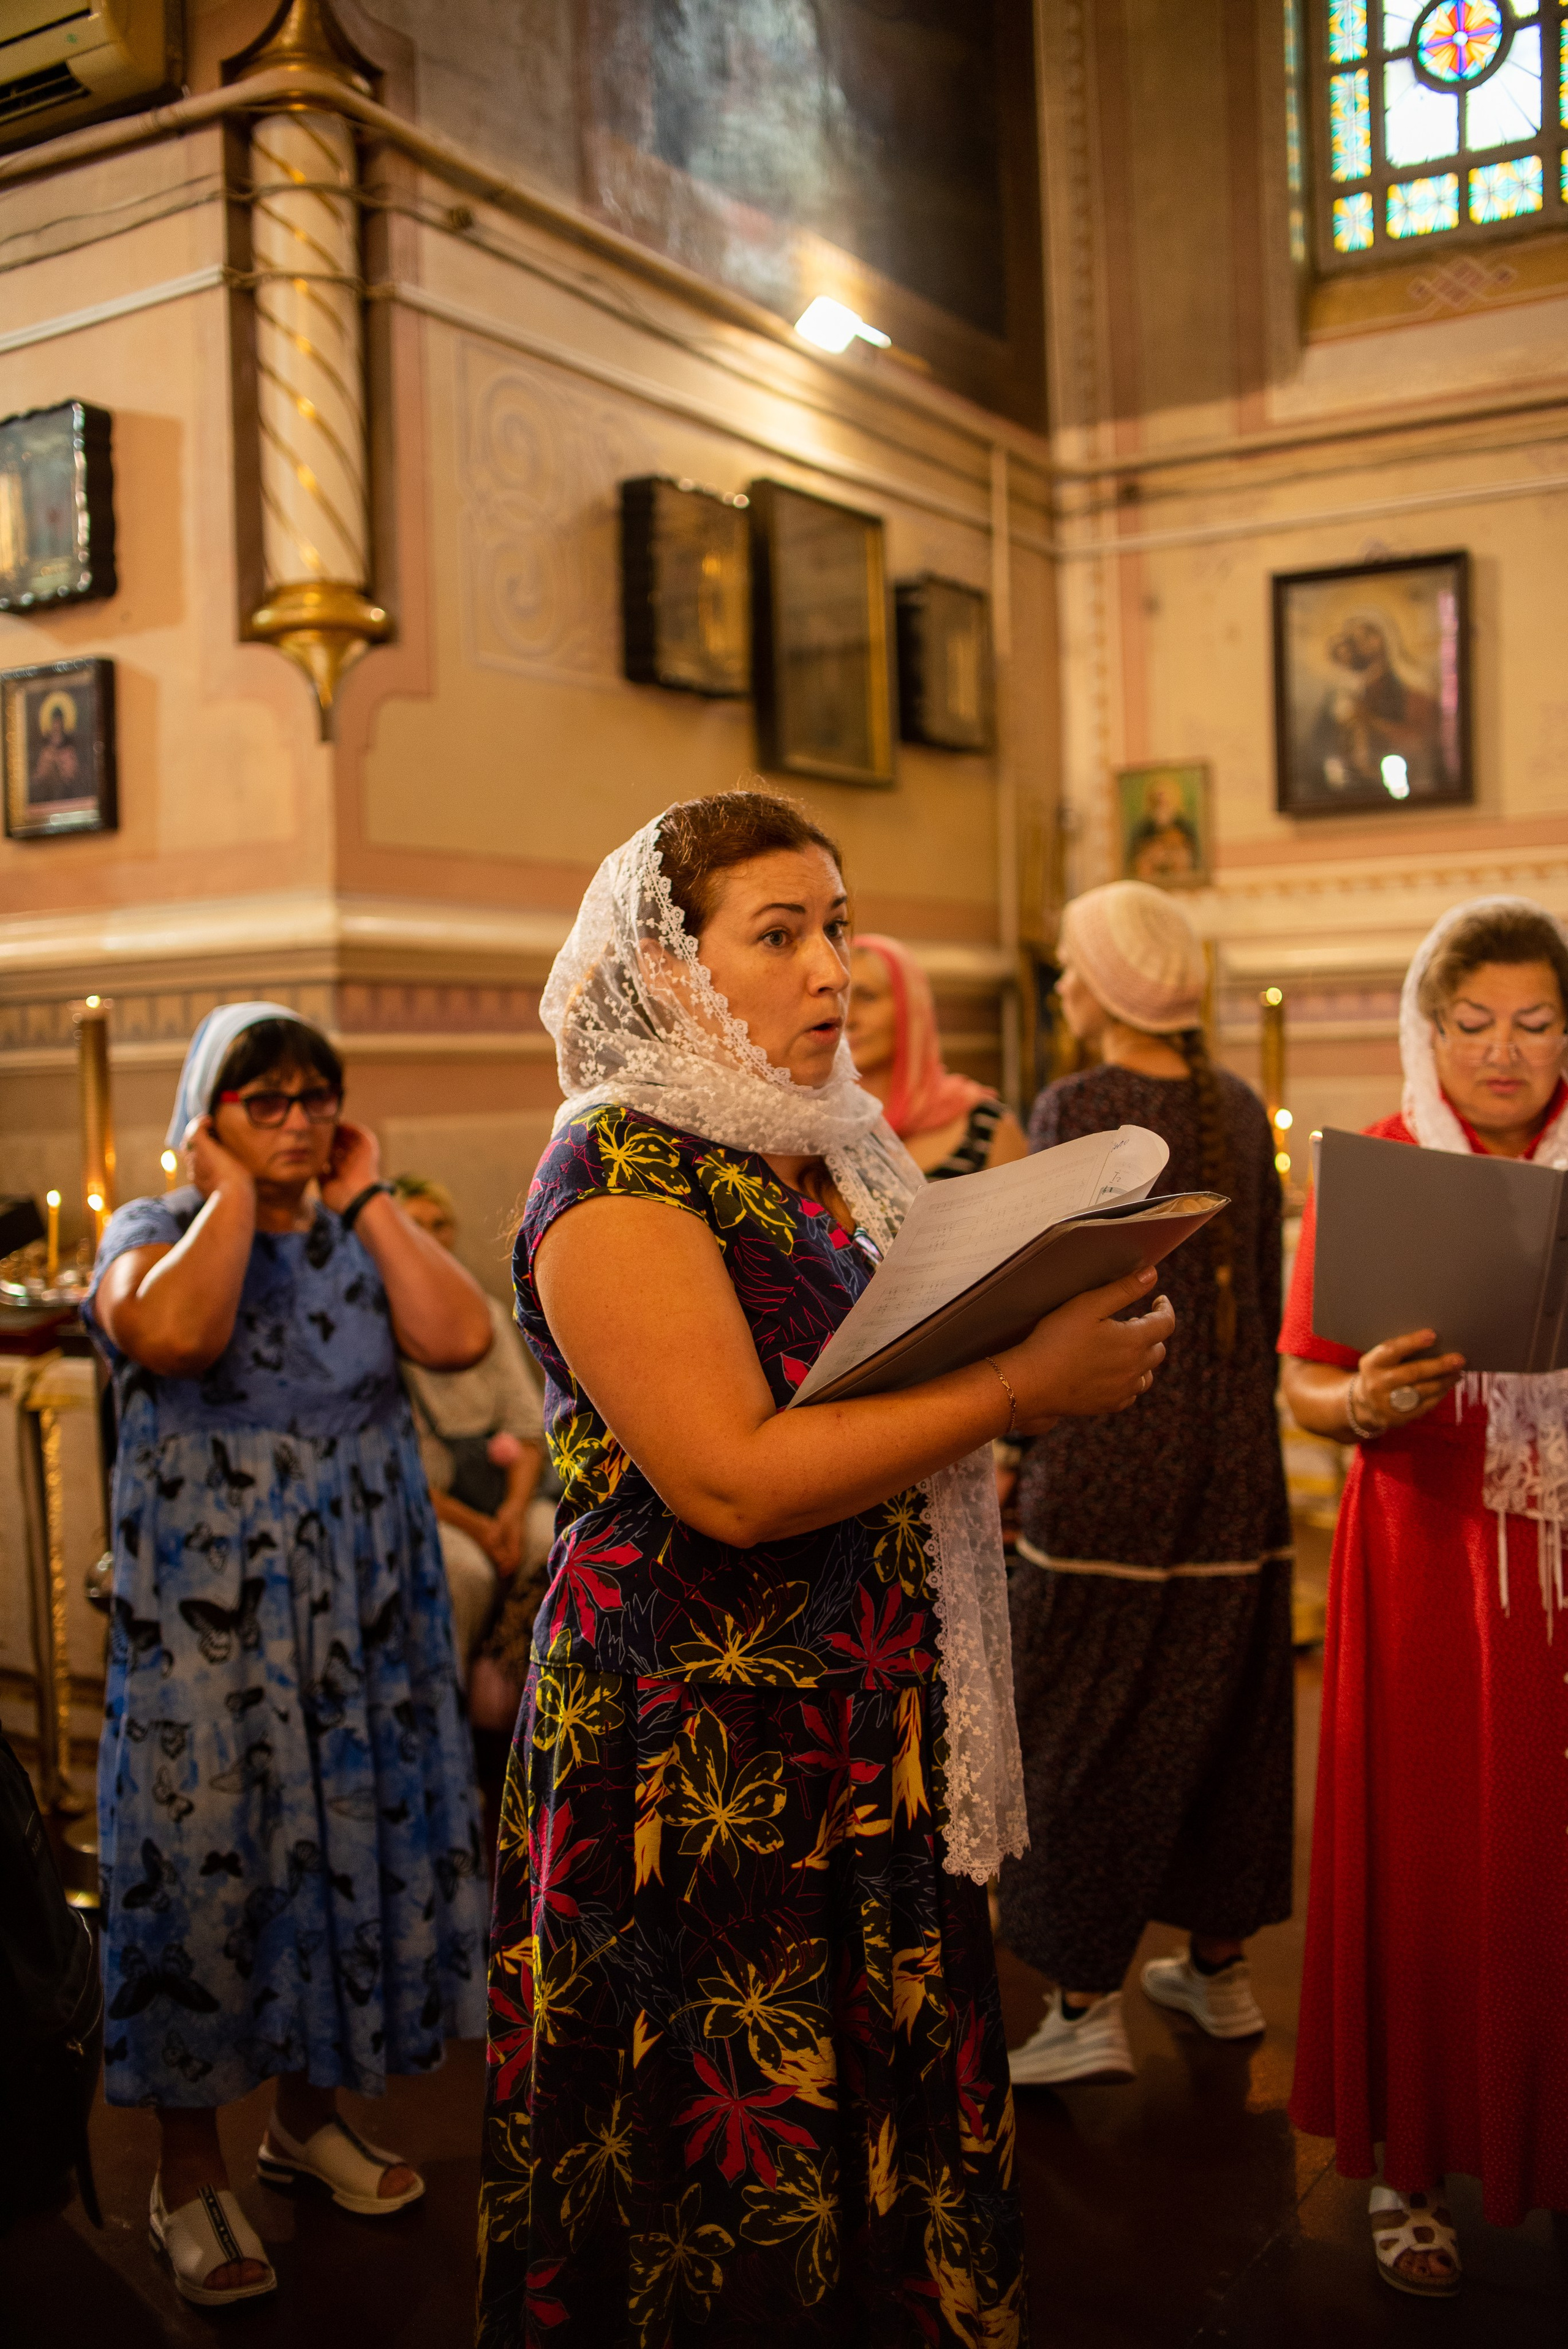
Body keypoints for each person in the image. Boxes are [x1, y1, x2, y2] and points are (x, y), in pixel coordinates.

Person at [475, 789, 1177, 2346]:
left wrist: (1062, 1300)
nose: (828, 969)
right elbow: (727, 1475)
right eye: (777, 934)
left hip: (851, 1711)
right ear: (668, 967)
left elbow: (870, 1366)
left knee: (867, 2098)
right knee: (724, 2142)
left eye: (837, 928)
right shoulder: (620, 1171)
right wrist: (1018, 1388)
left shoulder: (819, 1148)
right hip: (692, 1737)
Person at [86, 1004, 492, 2310]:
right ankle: (188, 2171)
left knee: (347, 1846)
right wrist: (224, 1196)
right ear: (207, 1116)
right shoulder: (146, 1238)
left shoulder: (358, 1234)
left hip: (363, 1602)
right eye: (267, 1098)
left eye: (319, 1096)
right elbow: (178, 1340)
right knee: (206, 1866)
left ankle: (306, 2123)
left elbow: (458, 1339)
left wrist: (366, 1195)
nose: (303, 1118)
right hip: (213, 1617)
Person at [1281, 896, 1568, 2300]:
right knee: (1429, 1850)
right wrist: (1357, 1397)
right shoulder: (1382, 1167)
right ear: (1427, 1026)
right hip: (1426, 1553)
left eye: (1530, 1020)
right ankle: (1406, 2162)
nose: (1500, 1050)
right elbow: (1299, 1376)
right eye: (1471, 1022)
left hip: (1560, 1561)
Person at [998, 880, 1294, 2089]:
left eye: (1069, 968)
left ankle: (1079, 2006)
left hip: (1106, 1466)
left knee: (1085, 1726)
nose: (1060, 988)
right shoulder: (1227, 1104)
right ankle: (1216, 1974)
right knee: (1221, 1719)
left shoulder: (1077, 1104)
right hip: (1233, 1476)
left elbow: (1040, 1295)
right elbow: (1261, 1309)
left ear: (1101, 986)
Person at [390, 1175, 549, 1689]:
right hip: (426, 1505)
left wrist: (511, 1511)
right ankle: (447, 1708)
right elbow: (397, 1471)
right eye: (414, 1227)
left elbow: (529, 1425)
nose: (431, 1238)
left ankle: (524, 1702)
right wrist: (480, 1530)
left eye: (440, 1225)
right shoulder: (375, 1324)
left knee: (558, 1541)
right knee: (465, 1573)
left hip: (500, 1496)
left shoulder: (482, 1313)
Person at [846, 932, 1028, 1177]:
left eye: (867, 997)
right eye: (839, 999)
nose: (847, 1019)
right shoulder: (817, 1127)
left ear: (911, 1007)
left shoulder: (986, 1128)